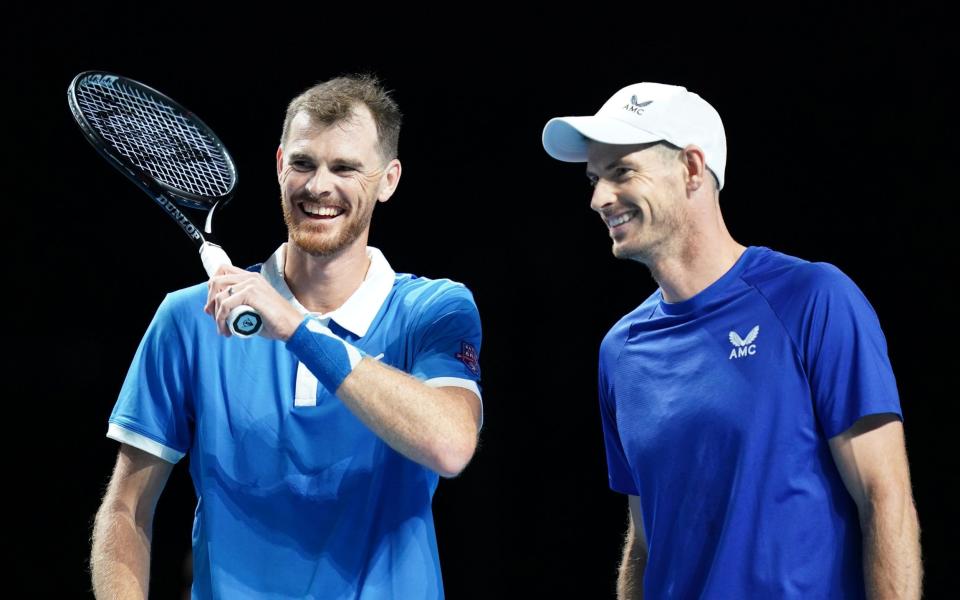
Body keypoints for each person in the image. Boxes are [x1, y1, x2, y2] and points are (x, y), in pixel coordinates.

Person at [90, 74, 483, 599]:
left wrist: (296, 327)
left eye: (345, 168)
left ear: (388, 180)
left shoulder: (433, 310)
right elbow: (127, 508)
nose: (319, 186)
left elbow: (451, 445)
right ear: (279, 166)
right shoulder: (189, 317)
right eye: (303, 163)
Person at [541, 82, 921, 598]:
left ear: (693, 169)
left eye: (621, 172)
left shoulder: (813, 298)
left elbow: (885, 498)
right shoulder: (619, 351)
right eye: (593, 178)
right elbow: (645, 542)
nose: (598, 198)